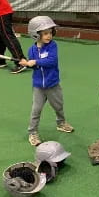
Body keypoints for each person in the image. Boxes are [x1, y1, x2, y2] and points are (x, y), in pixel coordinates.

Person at [19, 16, 74, 146]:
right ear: (35, 35)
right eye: (45, 34)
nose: (49, 36)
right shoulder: (31, 50)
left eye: (50, 32)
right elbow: (35, 67)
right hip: (38, 86)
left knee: (58, 106)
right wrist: (27, 64)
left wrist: (35, 61)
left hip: (52, 84)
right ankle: (33, 132)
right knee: (36, 110)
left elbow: (52, 61)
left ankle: (61, 123)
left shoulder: (52, 46)